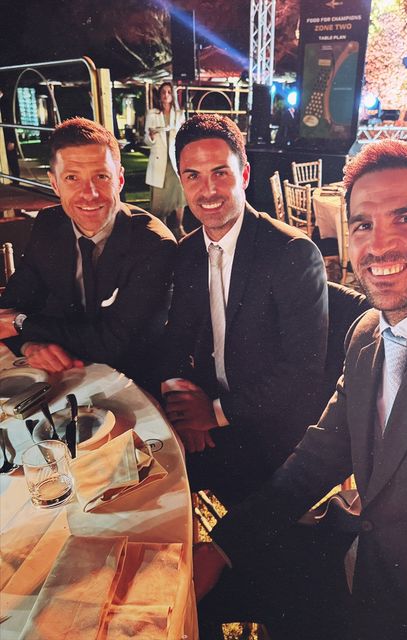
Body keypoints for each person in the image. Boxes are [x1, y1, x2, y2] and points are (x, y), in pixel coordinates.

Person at [194, 140, 407, 640]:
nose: (378, 246)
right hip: (353, 555)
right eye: (363, 225)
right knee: (180, 597)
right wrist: (221, 547)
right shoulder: (368, 333)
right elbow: (316, 459)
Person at [159, 113, 330, 508]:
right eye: (193, 176)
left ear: (245, 174)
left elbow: (303, 373)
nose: (208, 190)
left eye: (220, 173)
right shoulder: (187, 252)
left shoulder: (291, 253)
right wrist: (184, 405)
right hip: (209, 412)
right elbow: (176, 338)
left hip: (272, 430)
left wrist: (214, 413)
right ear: (182, 182)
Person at [0, 117, 177, 389]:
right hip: (62, 374)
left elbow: (111, 343)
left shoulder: (154, 244)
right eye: (72, 178)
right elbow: (10, 308)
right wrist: (29, 344)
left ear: (119, 180)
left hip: (131, 383)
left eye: (101, 177)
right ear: (55, 184)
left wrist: (23, 324)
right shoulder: (49, 223)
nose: (89, 194)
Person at [144, 82, 187, 239]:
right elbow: (146, 140)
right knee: (160, 199)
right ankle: (162, 230)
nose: (166, 95)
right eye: (163, 92)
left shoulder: (179, 114)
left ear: (172, 95)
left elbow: (184, 136)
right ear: (160, 95)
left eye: (169, 92)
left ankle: (179, 226)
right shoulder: (152, 114)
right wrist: (151, 136)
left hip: (175, 160)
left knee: (179, 195)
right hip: (159, 161)